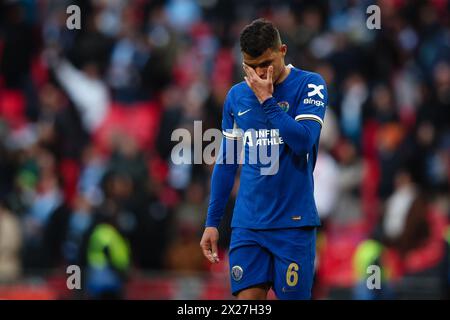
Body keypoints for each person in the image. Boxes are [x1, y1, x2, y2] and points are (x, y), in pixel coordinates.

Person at [200, 18, 328, 300]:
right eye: (251, 65)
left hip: (293, 224)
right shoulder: (236, 97)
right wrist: (212, 221)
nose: (259, 73)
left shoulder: (310, 85)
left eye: (266, 63)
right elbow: (227, 162)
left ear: (282, 50)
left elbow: (303, 141)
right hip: (248, 225)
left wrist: (268, 102)